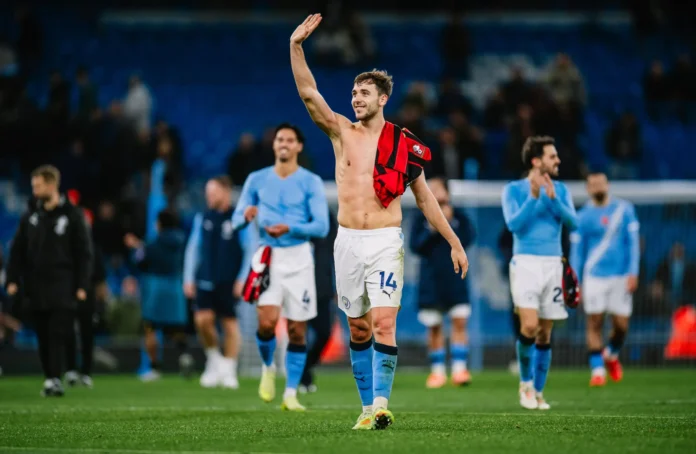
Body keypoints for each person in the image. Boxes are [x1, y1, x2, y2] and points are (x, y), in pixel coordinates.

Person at [290, 14, 469, 430]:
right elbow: (308, 93)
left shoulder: (403, 144)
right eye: (354, 92)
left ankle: (383, 404)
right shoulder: (341, 133)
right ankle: (367, 407)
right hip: (348, 241)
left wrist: (453, 241)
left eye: (364, 93)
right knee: (358, 328)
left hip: (386, 241)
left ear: (382, 98)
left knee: (385, 322)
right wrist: (296, 47)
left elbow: (424, 199)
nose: (356, 98)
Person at [232, 123, 329, 411]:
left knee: (298, 331)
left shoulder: (311, 181)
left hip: (300, 258)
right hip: (268, 257)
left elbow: (322, 226)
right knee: (266, 323)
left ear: (299, 146)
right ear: (274, 145)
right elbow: (236, 219)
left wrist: (291, 228)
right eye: (279, 139)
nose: (284, 144)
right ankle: (267, 367)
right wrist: (246, 215)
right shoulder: (256, 179)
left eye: (289, 140)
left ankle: (290, 394)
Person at [502, 136, 578, 411]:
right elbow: (514, 225)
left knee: (545, 334)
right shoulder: (513, 190)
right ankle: (525, 383)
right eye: (552, 156)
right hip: (525, 263)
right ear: (536, 161)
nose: (558, 160)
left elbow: (573, 223)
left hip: (553, 264)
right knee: (529, 327)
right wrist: (534, 198)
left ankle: (539, 391)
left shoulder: (561, 189)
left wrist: (554, 200)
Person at [6, 165, 93, 397]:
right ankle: (50, 377)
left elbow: (83, 253)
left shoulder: (72, 215)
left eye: (38, 186)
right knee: (43, 334)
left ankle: (55, 376)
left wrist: (82, 284)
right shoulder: (31, 217)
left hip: (63, 284)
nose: (34, 191)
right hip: (36, 285)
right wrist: (13, 279)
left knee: (57, 331)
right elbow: (17, 250)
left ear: (52, 185)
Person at [183, 175, 256, 389]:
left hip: (229, 280)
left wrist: (243, 278)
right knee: (202, 320)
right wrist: (188, 277)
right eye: (208, 193)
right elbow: (193, 248)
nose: (209, 197)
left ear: (225, 192)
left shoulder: (239, 218)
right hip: (205, 278)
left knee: (229, 324)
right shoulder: (203, 218)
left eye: (213, 193)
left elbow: (250, 249)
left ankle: (229, 369)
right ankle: (214, 361)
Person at [570, 172, 640, 387]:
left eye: (600, 183)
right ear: (588, 189)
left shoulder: (625, 209)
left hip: (621, 275)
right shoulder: (582, 216)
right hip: (594, 276)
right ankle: (597, 370)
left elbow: (633, 243)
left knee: (621, 325)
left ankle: (611, 354)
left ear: (607, 185)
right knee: (594, 322)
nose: (598, 187)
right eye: (593, 184)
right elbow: (577, 251)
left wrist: (633, 272)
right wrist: (575, 279)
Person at [410, 178, 475, 388]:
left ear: (447, 191)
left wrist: (450, 223)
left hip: (456, 279)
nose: (434, 192)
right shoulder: (420, 218)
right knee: (434, 326)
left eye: (437, 188)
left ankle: (459, 369)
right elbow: (414, 246)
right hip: (431, 281)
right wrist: (432, 228)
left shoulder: (459, 215)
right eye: (430, 188)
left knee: (459, 322)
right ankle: (437, 371)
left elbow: (469, 238)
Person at [124, 209, 191, 381]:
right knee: (176, 329)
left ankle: (154, 368)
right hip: (175, 288)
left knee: (150, 328)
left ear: (160, 223)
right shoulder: (182, 241)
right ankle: (185, 356)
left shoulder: (154, 243)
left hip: (155, 288)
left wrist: (136, 247)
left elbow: (141, 260)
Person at [299, 210, 339, 393]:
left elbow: (336, 252)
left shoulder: (326, 216)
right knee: (298, 333)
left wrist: (338, 284)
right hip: (298, 287)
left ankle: (305, 367)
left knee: (325, 333)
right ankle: (301, 378)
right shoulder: (297, 213)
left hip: (322, 288)